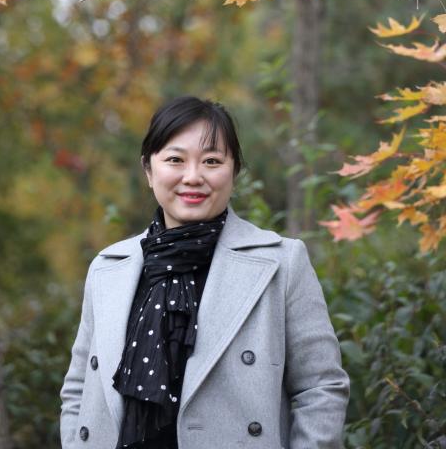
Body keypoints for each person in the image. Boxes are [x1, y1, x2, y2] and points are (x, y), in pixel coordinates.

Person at [60, 96, 349, 449]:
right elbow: (78, 390)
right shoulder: (109, 268)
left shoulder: (282, 263)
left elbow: (320, 388)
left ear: (234, 171)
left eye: (212, 161)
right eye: (175, 160)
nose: (193, 177)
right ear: (149, 170)